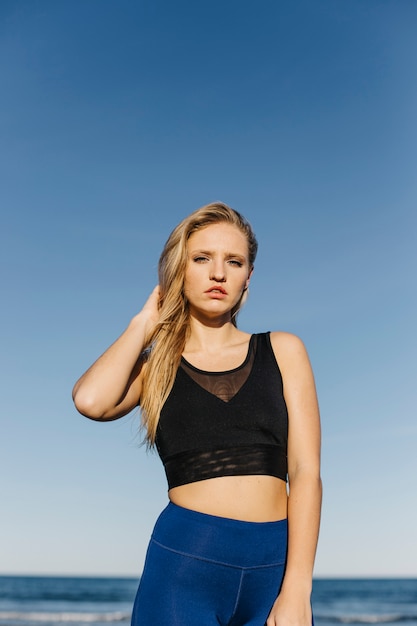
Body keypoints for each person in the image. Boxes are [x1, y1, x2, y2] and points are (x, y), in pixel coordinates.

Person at [72, 202, 322, 626]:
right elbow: (91, 401)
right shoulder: (155, 368)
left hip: (273, 570)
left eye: (234, 261)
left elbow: (305, 472)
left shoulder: (284, 350)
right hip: (185, 566)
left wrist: (298, 586)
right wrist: (145, 323)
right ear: (178, 270)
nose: (218, 273)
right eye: (201, 258)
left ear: (248, 276)